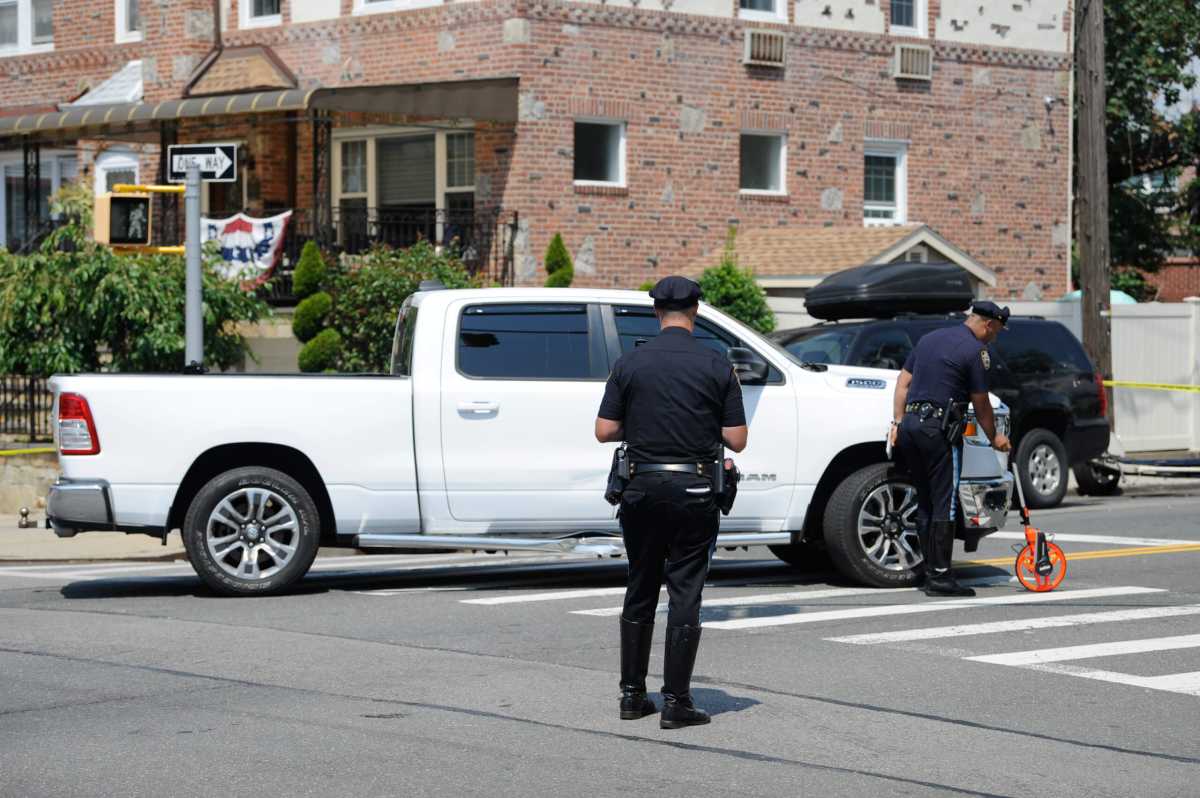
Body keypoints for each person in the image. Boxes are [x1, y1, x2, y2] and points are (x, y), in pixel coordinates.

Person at [595, 276, 748, 729]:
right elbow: (736, 440)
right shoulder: (717, 364)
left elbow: (604, 430)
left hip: (641, 489)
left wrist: (643, 424)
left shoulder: (631, 362)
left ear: (656, 312)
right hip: (695, 491)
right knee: (685, 591)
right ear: (695, 311)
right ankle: (677, 702)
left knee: (640, 585)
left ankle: (631, 696)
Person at [889, 301, 1013, 597]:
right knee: (945, 503)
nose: (995, 337)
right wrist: (995, 437)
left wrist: (897, 422)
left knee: (926, 501)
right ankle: (941, 578)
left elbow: (902, 384)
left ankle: (927, 571)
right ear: (988, 324)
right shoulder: (975, 351)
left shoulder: (929, 339)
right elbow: (981, 401)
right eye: (997, 331)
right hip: (938, 432)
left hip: (910, 429)